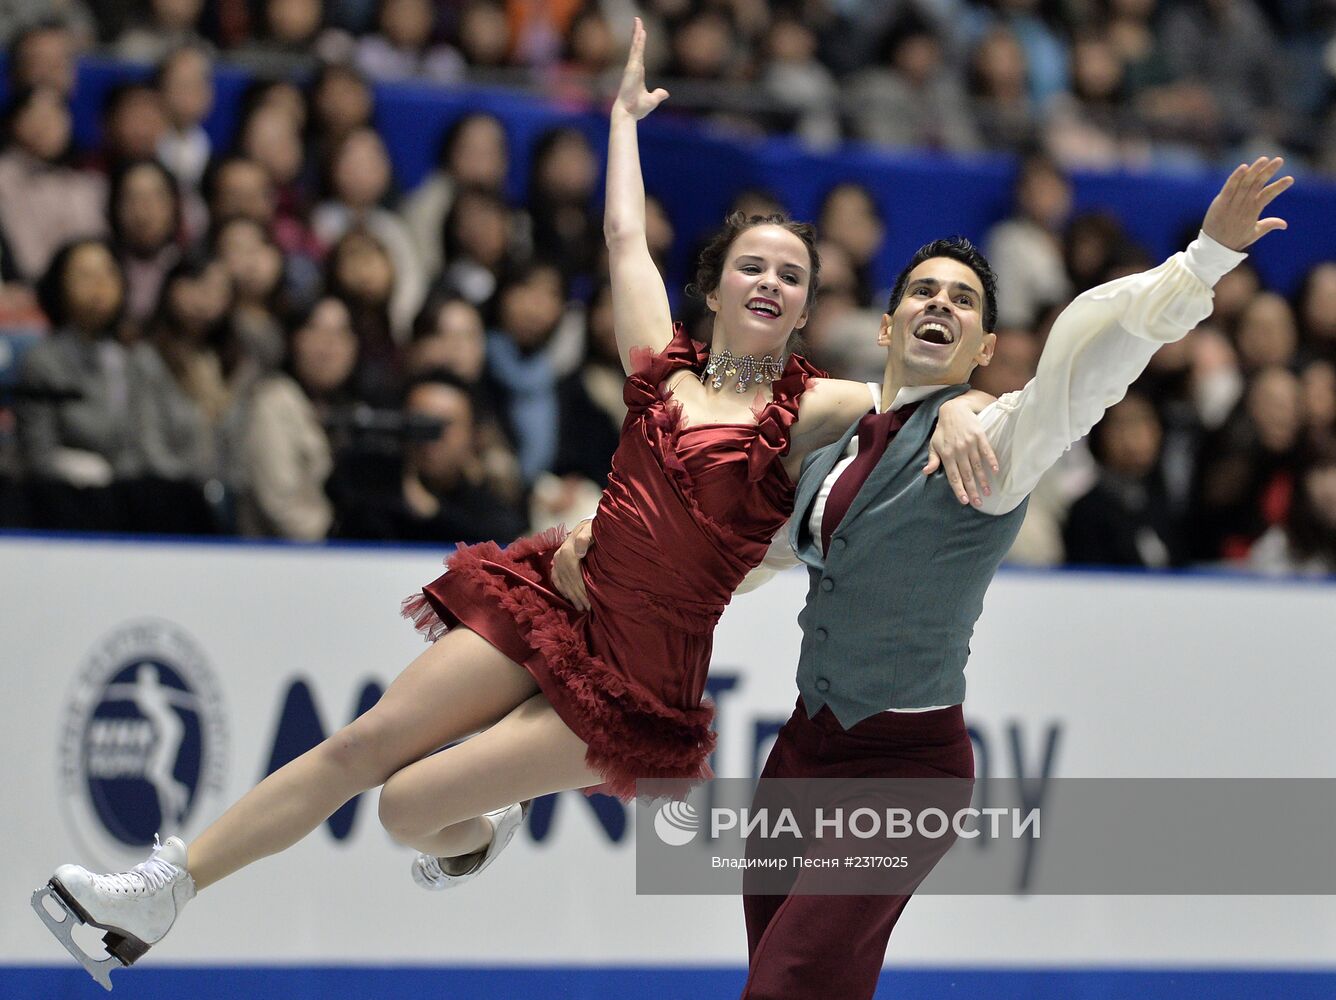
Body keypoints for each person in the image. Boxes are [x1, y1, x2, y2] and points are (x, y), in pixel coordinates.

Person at [31, 21, 994, 990]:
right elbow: (622, 234)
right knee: (364, 743)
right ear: (713, 285)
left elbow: (915, 391)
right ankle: (163, 888)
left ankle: (479, 826)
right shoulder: (656, 369)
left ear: (801, 308)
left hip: (635, 676)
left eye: (791, 276)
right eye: (753, 264)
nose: (770, 282)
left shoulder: (811, 407)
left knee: (406, 809)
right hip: (558, 600)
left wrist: (968, 406)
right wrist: (620, 121)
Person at [732, 157, 1291, 999]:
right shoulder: (827, 454)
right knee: (807, 979)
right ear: (886, 328)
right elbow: (740, 561)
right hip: (801, 752)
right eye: (924, 291)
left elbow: (1086, 373)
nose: (940, 305)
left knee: (787, 983)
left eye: (963, 301)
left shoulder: (993, 446)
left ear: (986, 348)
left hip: (906, 769)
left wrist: (1204, 259)